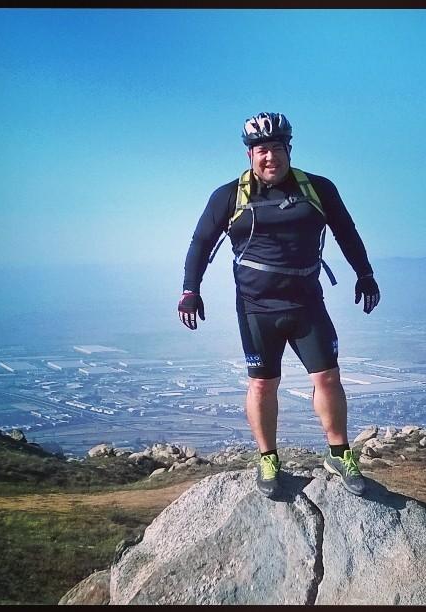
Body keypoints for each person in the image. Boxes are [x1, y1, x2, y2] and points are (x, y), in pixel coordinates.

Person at [178, 112, 380, 497]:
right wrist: (190, 289)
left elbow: (346, 232)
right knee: (262, 385)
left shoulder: (317, 188)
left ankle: (339, 453)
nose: (269, 157)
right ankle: (268, 459)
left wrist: (365, 273)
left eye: (275, 148)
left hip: (307, 304)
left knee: (328, 378)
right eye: (260, 150)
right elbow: (200, 243)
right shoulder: (229, 195)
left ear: (288, 149)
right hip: (257, 308)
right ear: (249, 155)